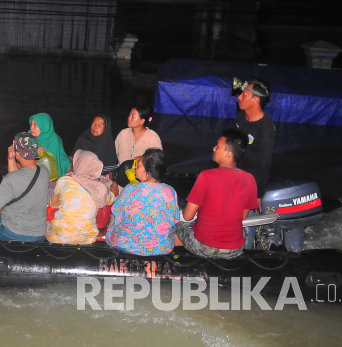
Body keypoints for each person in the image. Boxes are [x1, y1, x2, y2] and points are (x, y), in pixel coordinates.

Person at [173, 129, 258, 259]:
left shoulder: (206, 176)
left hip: (205, 247)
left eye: (218, 146)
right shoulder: (250, 179)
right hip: (235, 249)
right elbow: (242, 216)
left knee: (177, 223)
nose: (214, 148)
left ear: (228, 154)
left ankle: (179, 264)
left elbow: (188, 216)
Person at [0, 133, 50, 242]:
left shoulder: (10, 179)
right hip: (39, 233)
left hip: (12, 233)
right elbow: (19, 178)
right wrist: (11, 159)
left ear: (18, 154)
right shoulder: (44, 171)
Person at [105, 148, 179, 255]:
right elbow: (174, 220)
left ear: (147, 173)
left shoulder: (130, 189)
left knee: (113, 216)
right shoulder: (170, 191)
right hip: (160, 248)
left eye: (138, 165)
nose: (135, 167)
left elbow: (118, 216)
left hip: (127, 245)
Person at [46, 150, 113, 245]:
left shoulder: (64, 181)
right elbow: (111, 199)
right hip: (86, 239)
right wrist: (102, 186)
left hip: (58, 237)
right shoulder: (100, 189)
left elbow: (54, 204)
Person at [234, 77, 276, 209]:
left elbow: (264, 163)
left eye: (244, 95)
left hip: (250, 181)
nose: (239, 97)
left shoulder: (266, 128)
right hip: (236, 174)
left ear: (256, 100)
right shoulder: (241, 115)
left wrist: (258, 193)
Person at [29, 113, 71, 180]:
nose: (31, 127)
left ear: (44, 126)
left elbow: (62, 158)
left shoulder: (54, 140)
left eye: (35, 125)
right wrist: (34, 151)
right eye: (31, 124)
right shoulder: (28, 137)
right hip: (33, 175)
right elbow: (21, 156)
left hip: (52, 176)